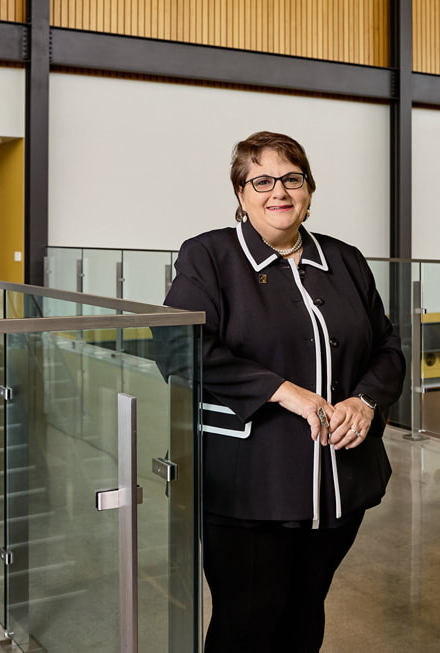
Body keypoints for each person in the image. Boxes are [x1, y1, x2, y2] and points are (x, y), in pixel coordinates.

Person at [159, 131, 406, 652]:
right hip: (251, 484)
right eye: (262, 180)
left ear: (309, 190)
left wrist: (366, 401)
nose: (279, 192)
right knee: (248, 621)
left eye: (292, 179)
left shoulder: (346, 259)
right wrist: (283, 391)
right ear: (241, 194)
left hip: (341, 481)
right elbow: (178, 348)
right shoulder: (209, 256)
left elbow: (387, 347)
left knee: (304, 613)